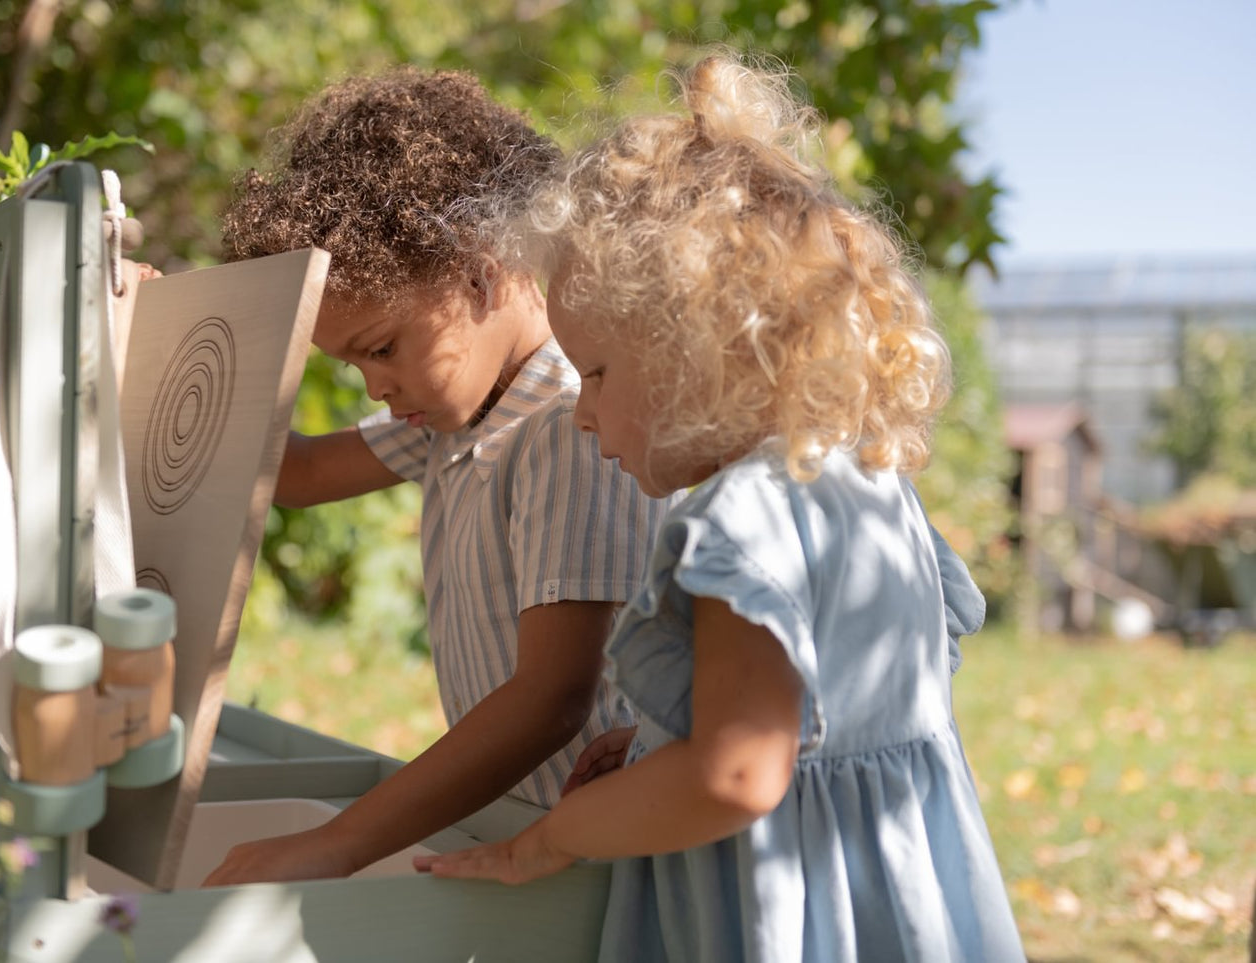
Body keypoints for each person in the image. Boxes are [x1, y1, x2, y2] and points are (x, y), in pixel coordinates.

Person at [414, 56, 1027, 962]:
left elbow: (739, 774)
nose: (580, 411)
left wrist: (553, 834)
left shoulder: (741, 523)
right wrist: (660, 733)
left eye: (599, 373)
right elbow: (827, 711)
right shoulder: (865, 479)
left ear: (697, 348)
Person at [202, 67, 673, 885]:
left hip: (593, 854)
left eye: (381, 347)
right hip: (519, 828)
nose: (374, 386)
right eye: (352, 362)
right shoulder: (461, 414)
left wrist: (338, 842)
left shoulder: (564, 427)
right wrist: (157, 349)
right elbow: (303, 471)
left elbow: (552, 695)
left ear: (482, 268)